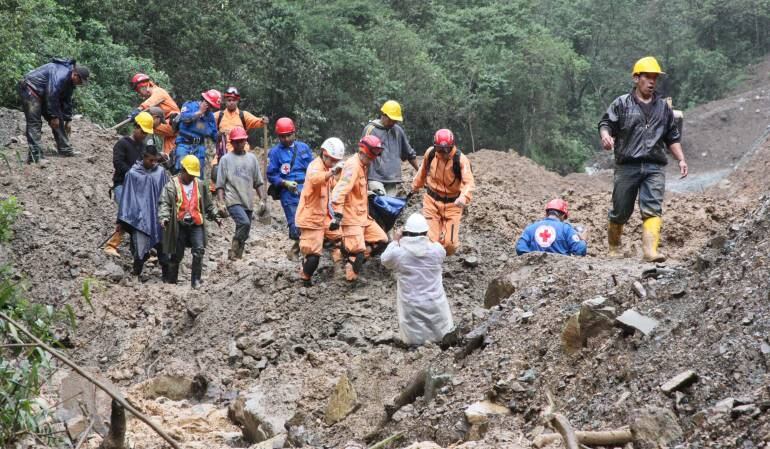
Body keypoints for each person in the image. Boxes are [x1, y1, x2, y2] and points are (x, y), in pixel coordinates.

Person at [598, 56, 687, 262]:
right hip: (627, 165)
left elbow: (672, 136)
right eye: (647, 76)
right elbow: (606, 123)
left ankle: (650, 251)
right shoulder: (621, 104)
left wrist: (681, 159)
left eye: (655, 77)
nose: (652, 81)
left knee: (653, 208)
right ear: (636, 78)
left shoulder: (663, 108)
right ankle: (614, 247)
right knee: (620, 211)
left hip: (654, 166)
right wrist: (605, 136)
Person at [381, 213, 454, 346]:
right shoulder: (437, 251)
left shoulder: (399, 253)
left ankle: (415, 346)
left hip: (411, 303)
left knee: (415, 338)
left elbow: (385, 259)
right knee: (441, 333)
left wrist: (396, 240)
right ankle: (440, 343)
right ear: (426, 232)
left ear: (407, 232)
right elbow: (436, 246)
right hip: (435, 302)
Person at [330, 135, 389, 282]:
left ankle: (346, 251)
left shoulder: (363, 165)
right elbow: (339, 191)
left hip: (363, 216)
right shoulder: (353, 166)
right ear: (362, 152)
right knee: (358, 252)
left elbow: (356, 189)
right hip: (351, 218)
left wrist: (369, 193)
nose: (372, 160)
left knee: (381, 240)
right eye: (371, 156)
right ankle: (350, 280)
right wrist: (337, 214)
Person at [158, 155, 219, 289]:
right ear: (183, 170)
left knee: (199, 250)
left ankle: (195, 280)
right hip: (179, 224)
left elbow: (208, 205)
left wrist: (216, 216)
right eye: (190, 174)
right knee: (176, 254)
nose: (192, 177)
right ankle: (172, 280)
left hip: (196, 223)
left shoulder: (200, 185)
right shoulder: (172, 185)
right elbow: (165, 203)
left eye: (193, 175)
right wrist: (164, 217)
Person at [412, 128, 475, 256]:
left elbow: (469, 182)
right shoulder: (430, 154)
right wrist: (415, 186)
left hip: (453, 205)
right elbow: (422, 171)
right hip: (431, 201)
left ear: (452, 146)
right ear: (435, 147)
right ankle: (431, 265)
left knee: (450, 245)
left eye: (446, 150)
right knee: (430, 240)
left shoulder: (460, 160)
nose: (443, 153)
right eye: (439, 149)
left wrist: (464, 197)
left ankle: (440, 253)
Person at [295, 137, 345, 286]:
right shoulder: (315, 166)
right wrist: (332, 172)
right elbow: (316, 179)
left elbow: (333, 186)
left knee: (341, 239)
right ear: (324, 153)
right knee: (313, 256)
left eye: (337, 161)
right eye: (332, 160)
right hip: (311, 218)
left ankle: (338, 269)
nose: (334, 163)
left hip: (323, 216)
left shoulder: (328, 168)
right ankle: (305, 279)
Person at [104, 112, 155, 256]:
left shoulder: (143, 148)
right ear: (136, 127)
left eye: (146, 133)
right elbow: (118, 163)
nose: (144, 135)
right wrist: (133, 174)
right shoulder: (122, 144)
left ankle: (139, 250)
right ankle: (112, 245)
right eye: (143, 131)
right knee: (127, 213)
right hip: (122, 185)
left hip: (138, 188)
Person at [18, 58, 89, 162]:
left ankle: (65, 149)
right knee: (35, 123)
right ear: (75, 74)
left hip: (43, 93)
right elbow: (52, 95)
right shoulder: (61, 75)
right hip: (30, 88)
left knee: (58, 118)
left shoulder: (70, 81)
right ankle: (35, 157)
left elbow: (67, 99)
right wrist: (53, 116)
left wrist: (68, 119)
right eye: (80, 81)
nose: (80, 84)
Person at [116, 143, 169, 279]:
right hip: (141, 218)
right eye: (150, 160)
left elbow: (167, 192)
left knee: (163, 246)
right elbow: (127, 199)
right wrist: (121, 220)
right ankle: (136, 272)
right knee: (140, 247)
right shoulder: (132, 174)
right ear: (143, 158)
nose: (153, 163)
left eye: (155, 160)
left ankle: (167, 277)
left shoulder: (161, 172)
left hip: (158, 216)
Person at [266, 117, 314, 258]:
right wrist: (284, 183)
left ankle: (298, 250)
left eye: (288, 135)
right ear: (278, 136)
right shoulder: (275, 153)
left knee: (310, 220)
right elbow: (271, 175)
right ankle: (300, 251)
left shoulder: (304, 148)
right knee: (295, 222)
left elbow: (313, 168)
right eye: (282, 136)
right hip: (288, 192)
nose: (286, 139)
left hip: (306, 189)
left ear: (294, 133)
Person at [216, 127, 266, 260]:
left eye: (241, 141)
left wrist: (262, 200)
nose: (239, 144)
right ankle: (233, 250)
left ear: (246, 141)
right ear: (231, 143)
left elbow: (258, 182)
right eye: (236, 142)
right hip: (233, 200)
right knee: (244, 223)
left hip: (247, 201)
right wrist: (221, 202)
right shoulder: (225, 160)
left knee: (245, 230)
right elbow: (220, 184)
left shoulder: (252, 159)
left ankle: (237, 258)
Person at [211, 87, 269, 189]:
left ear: (237, 101)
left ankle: (246, 187)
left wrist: (263, 120)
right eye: (229, 100)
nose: (231, 102)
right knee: (215, 169)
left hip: (241, 150)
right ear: (225, 101)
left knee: (242, 171)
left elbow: (257, 121)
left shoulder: (243, 115)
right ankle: (218, 194)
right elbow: (207, 121)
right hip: (223, 150)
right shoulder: (218, 115)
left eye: (233, 100)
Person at [362, 100, 418, 196]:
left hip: (392, 179)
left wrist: (420, 171)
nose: (393, 122)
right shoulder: (370, 129)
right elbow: (362, 153)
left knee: (389, 206)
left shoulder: (398, 131)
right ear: (383, 115)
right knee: (380, 203)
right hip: (374, 178)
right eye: (391, 119)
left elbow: (409, 154)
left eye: (395, 120)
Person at [516, 199, 587, 256]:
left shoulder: (530, 228)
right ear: (563, 216)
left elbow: (520, 248)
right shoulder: (567, 229)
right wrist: (583, 240)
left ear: (547, 213)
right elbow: (579, 251)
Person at [175, 89, 221, 176]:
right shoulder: (189, 105)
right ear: (205, 101)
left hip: (199, 147)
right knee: (181, 172)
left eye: (213, 107)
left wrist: (220, 135)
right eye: (210, 105)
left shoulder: (210, 116)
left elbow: (214, 134)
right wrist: (199, 112)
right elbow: (184, 118)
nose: (211, 108)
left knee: (198, 175)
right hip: (184, 144)